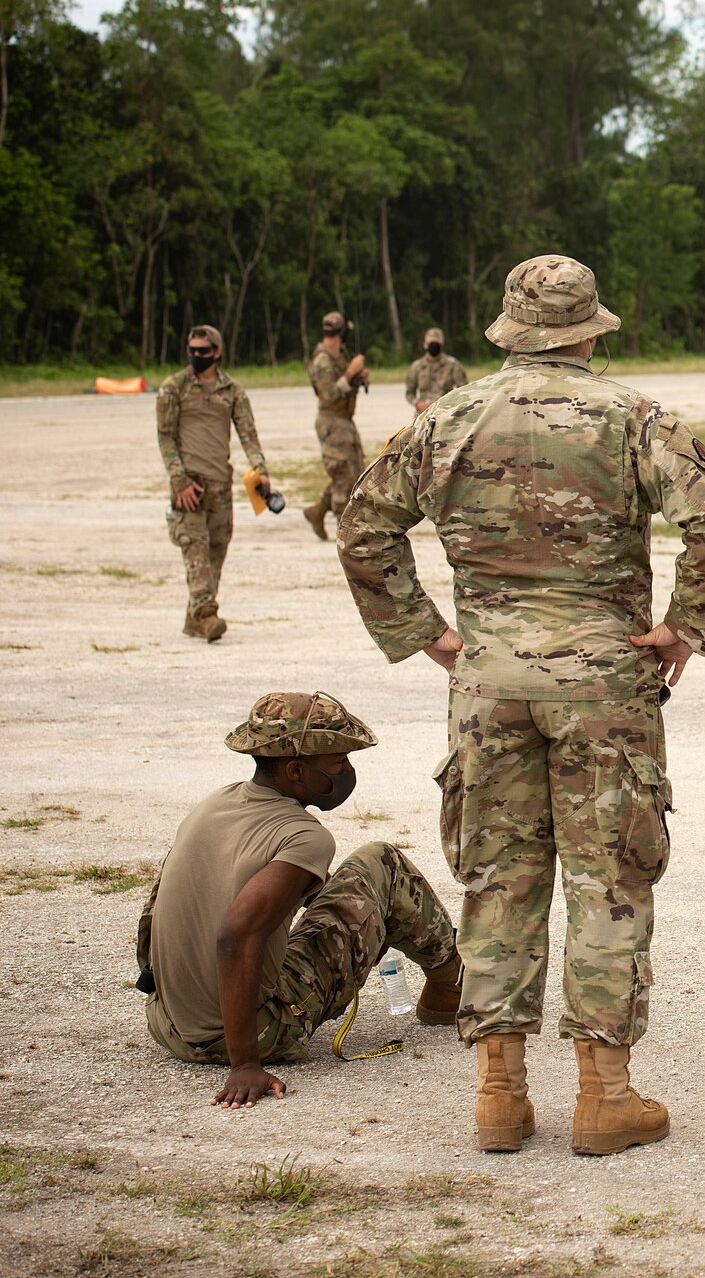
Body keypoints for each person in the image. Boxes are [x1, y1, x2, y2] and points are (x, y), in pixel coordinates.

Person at [338, 253, 705, 1156]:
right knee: (608, 875)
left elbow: (363, 523)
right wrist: (684, 627)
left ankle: (500, 1096)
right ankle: (605, 1098)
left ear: (512, 333)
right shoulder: (632, 417)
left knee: (499, 876)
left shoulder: (446, 415)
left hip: (488, 681)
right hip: (604, 683)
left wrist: (429, 634)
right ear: (591, 331)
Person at [137, 691, 461, 1109]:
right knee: (383, 862)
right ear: (295, 770)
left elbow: (161, 900)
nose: (348, 771)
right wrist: (244, 1064)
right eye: (338, 763)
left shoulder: (216, 804)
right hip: (254, 1035)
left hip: (167, 1025)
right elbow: (236, 934)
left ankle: (446, 986)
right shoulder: (305, 835)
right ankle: (448, 984)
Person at [156, 324, 270, 642]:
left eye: (203, 351)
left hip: (219, 483)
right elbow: (165, 437)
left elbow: (248, 434)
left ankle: (194, 617)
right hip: (188, 485)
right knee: (196, 550)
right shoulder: (173, 388)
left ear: (217, 352)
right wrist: (179, 480)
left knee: (217, 549)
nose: (196, 356)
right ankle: (206, 614)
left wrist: (260, 468)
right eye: (192, 350)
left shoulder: (232, 391)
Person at [302, 312, 370, 540]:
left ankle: (318, 511)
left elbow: (344, 385)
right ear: (341, 333)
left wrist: (357, 378)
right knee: (343, 475)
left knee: (354, 472)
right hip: (331, 421)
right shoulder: (322, 359)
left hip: (344, 420)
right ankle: (347, 534)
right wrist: (350, 371)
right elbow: (329, 394)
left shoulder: (338, 355)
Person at [405, 326, 468, 414]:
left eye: (436, 344)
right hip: (422, 415)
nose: (434, 347)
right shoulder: (417, 366)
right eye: (431, 344)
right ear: (425, 345)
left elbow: (465, 390)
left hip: (445, 414)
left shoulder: (453, 365)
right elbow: (409, 393)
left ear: (442, 346)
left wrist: (451, 404)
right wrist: (417, 403)